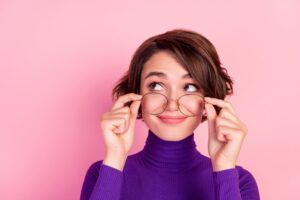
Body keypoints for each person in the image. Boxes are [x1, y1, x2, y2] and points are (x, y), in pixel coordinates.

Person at [80, 29, 260, 200]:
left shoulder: (239, 181)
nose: (172, 103)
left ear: (208, 98)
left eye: (190, 87)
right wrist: (115, 158)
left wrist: (224, 169)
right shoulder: (103, 173)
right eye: (156, 85)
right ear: (136, 94)